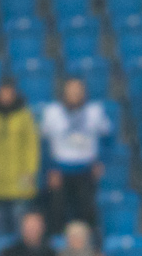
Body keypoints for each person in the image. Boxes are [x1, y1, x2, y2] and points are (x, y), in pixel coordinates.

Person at [40, 78, 113, 233]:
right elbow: (44, 143)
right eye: (71, 91)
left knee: (87, 215)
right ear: (64, 93)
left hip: (86, 171)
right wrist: (50, 169)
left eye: (77, 91)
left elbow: (108, 137)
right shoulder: (52, 112)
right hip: (60, 172)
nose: (74, 95)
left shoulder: (95, 112)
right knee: (57, 214)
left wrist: (101, 161)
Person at [0, 79, 40, 239]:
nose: (5, 96)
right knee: (0, 223)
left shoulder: (24, 115)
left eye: (9, 92)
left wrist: (30, 171)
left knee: (20, 220)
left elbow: (31, 145)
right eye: (2, 92)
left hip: (21, 177)